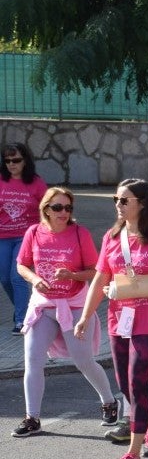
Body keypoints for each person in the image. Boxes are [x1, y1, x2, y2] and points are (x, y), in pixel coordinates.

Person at [74, 179, 148, 459]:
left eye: (124, 200)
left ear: (142, 203)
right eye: (116, 199)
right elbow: (99, 279)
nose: (118, 205)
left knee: (137, 383)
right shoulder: (112, 236)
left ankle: (133, 455)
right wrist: (85, 316)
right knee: (125, 384)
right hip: (120, 319)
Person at [12, 187, 118, 437]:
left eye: (68, 208)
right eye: (58, 207)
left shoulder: (79, 233)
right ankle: (32, 417)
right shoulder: (33, 232)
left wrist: (72, 275)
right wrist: (35, 279)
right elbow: (21, 265)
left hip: (75, 306)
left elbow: (95, 271)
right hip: (43, 305)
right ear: (46, 209)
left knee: (83, 361)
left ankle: (109, 401)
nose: (63, 212)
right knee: (33, 361)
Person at [1, 142, 48, 333]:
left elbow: (47, 208)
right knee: (4, 278)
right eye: (7, 161)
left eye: (16, 160)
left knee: (17, 277)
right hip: (3, 236)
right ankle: (27, 309)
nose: (11, 164)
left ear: (25, 161)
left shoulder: (36, 183)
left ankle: (21, 320)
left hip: (26, 237)